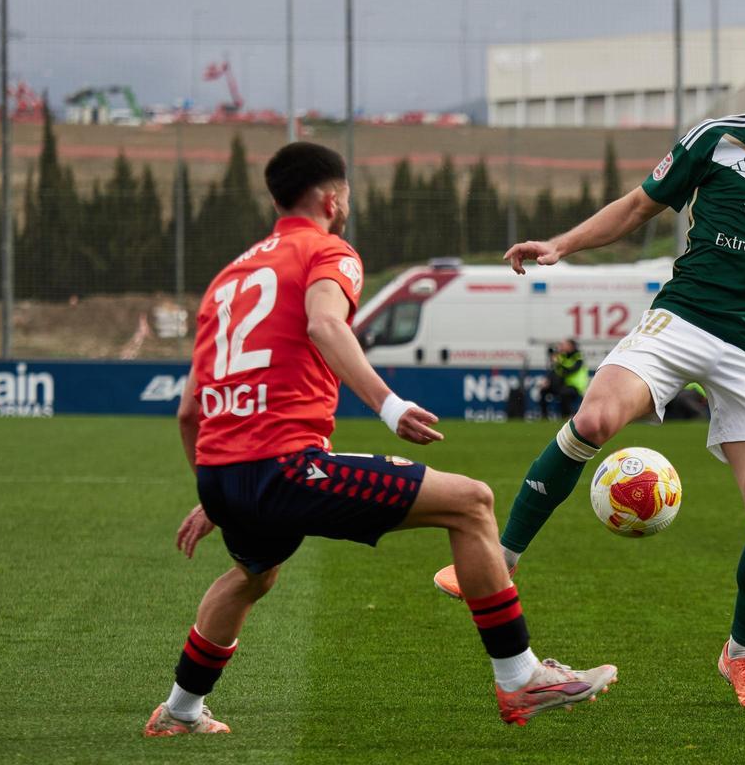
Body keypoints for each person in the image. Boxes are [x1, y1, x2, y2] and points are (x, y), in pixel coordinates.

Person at [434, 12, 745, 711]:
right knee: (595, 416)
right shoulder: (715, 141)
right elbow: (638, 205)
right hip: (682, 320)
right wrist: (561, 246)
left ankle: (741, 657)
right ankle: (500, 560)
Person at [143, 142, 616, 737]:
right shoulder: (328, 251)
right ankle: (519, 678)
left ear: (274, 199)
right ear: (332, 198)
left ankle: (180, 712)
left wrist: (215, 491)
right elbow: (323, 322)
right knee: (472, 504)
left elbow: (190, 410)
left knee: (254, 574)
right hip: (287, 467)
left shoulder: (226, 280)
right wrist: (388, 406)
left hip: (222, 471)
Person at [539, 339, 588, 419]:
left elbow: (570, 370)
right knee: (543, 390)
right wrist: (548, 380)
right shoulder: (563, 356)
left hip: (576, 386)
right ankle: (544, 416)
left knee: (564, 394)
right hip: (563, 385)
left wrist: (559, 362)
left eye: (564, 345)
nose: (562, 347)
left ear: (571, 346)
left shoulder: (578, 357)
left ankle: (566, 416)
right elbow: (556, 370)